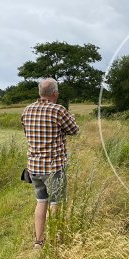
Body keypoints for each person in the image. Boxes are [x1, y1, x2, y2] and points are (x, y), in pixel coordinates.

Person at [21, 78, 79, 248]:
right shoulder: (58, 110)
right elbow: (74, 130)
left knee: (41, 201)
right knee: (56, 204)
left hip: (34, 167)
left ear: (40, 93)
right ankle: (54, 240)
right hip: (53, 167)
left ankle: (39, 242)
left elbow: (27, 132)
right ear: (55, 93)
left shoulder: (27, 110)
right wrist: (71, 120)